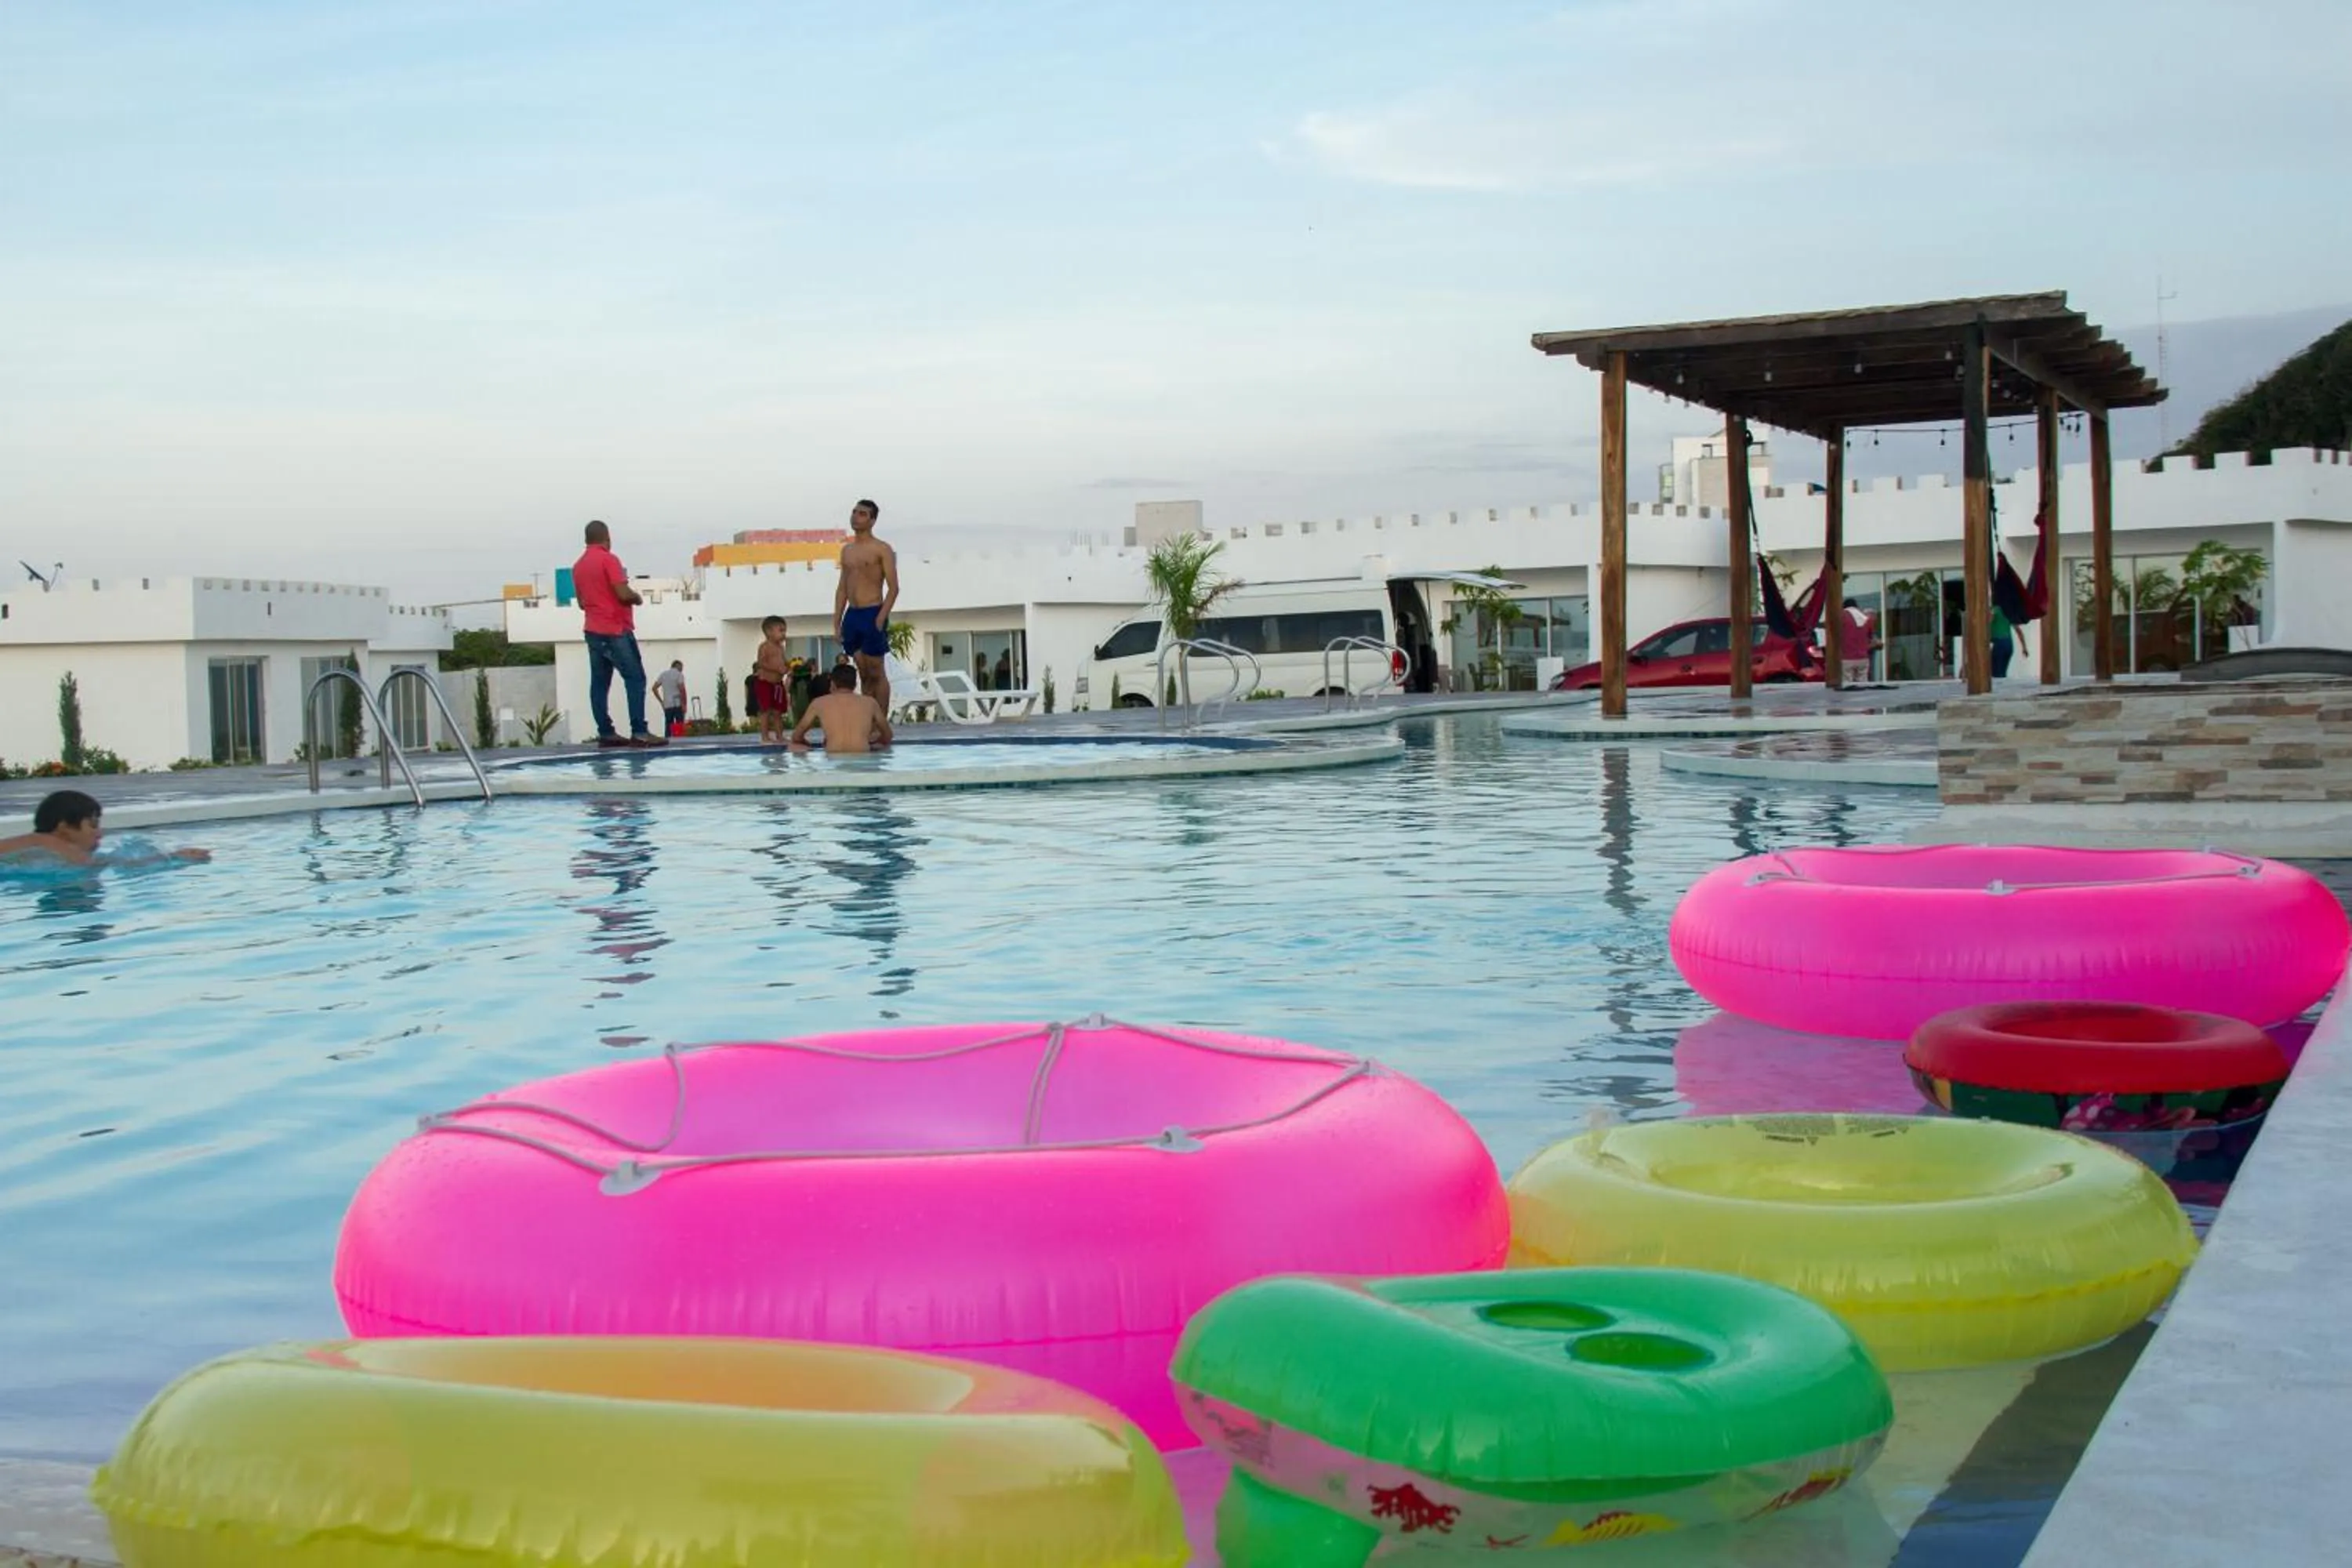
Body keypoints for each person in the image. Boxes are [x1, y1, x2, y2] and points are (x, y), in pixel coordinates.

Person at [574, 520, 664, 748]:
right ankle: (640, 732)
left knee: (599, 683)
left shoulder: (578, 566)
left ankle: (606, 732)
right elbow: (622, 593)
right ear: (607, 538)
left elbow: (582, 603)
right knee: (635, 678)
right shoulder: (609, 559)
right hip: (615, 629)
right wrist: (637, 597)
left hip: (592, 630)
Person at [0, 790, 209, 866]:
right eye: (92, 825)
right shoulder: (47, 842)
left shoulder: (39, 846)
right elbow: (97, 865)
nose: (99, 833)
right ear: (63, 827)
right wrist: (173, 858)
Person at [833, 499, 899, 717]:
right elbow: (843, 587)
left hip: (872, 611)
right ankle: (869, 721)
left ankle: (882, 722)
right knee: (863, 672)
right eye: (854, 512)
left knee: (876, 671)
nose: (855, 516)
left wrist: (881, 617)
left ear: (872, 520)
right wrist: (837, 622)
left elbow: (894, 588)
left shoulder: (882, 549)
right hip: (853, 615)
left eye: (862, 513)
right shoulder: (847, 551)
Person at [790, 666, 895, 754]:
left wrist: (807, 744)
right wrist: (872, 744)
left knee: (793, 747)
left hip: (834, 756)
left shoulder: (819, 703)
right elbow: (887, 736)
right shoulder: (870, 702)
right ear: (855, 685)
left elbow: (797, 736)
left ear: (833, 683)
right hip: (862, 757)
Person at [753, 615, 791, 745]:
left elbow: (784, 661)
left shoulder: (781, 647)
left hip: (777, 684)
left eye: (785, 631)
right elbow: (761, 663)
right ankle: (765, 737)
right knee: (765, 711)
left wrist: (789, 666)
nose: (784, 634)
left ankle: (780, 736)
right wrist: (776, 669)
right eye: (781, 631)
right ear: (769, 632)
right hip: (765, 683)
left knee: (778, 711)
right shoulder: (765, 647)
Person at [652, 659, 688, 735]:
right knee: (679, 726)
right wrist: (684, 704)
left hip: (667, 704)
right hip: (677, 703)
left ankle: (668, 743)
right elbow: (682, 690)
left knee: (668, 726)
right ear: (677, 666)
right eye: (681, 667)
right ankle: (680, 743)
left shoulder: (663, 674)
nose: (682, 670)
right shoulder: (679, 675)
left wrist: (661, 701)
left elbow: (654, 688)